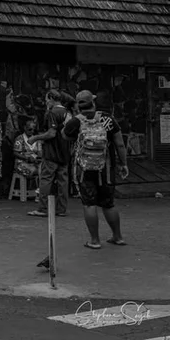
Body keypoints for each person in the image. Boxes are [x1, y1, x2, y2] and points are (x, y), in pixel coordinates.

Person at [62, 90, 129, 249]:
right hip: (105, 169)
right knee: (108, 204)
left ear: (79, 105)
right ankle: (118, 237)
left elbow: (65, 136)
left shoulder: (76, 121)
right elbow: (119, 144)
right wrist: (123, 164)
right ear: (93, 102)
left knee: (89, 203)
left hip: (84, 169)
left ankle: (95, 240)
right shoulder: (107, 119)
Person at [27, 90, 71, 217]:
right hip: (65, 152)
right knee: (63, 181)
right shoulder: (68, 113)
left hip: (52, 152)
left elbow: (51, 133)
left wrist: (35, 138)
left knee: (46, 179)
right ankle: (61, 209)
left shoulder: (53, 113)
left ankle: (43, 208)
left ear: (52, 98)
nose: (46, 102)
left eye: (47, 99)